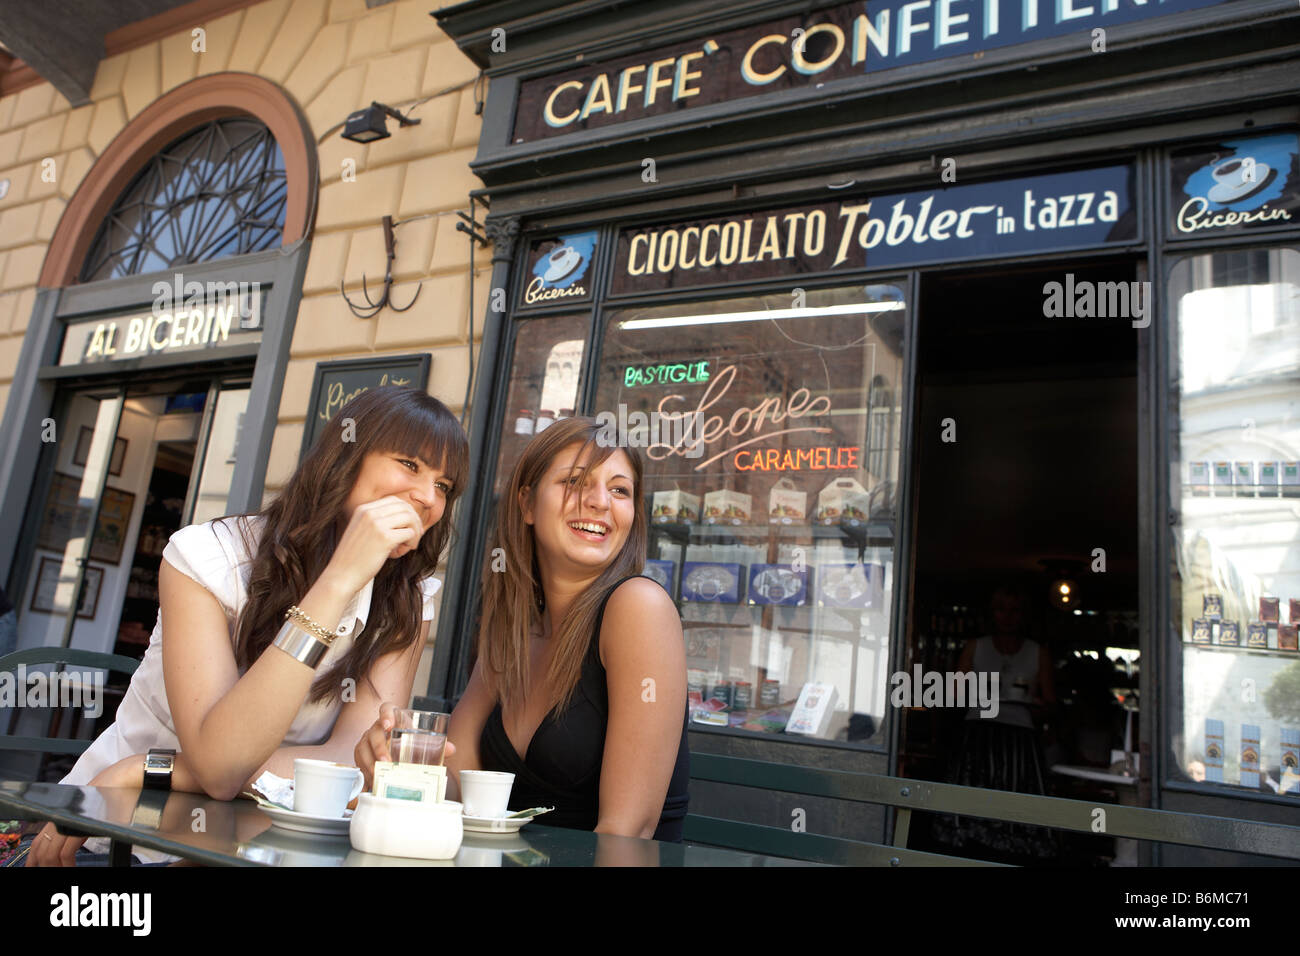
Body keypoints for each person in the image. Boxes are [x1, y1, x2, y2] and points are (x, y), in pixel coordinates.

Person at [21, 387, 467, 866]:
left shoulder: (408, 598)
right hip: (119, 836)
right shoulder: (207, 558)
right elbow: (220, 765)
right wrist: (338, 581)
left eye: (444, 486)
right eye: (409, 464)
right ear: (345, 459)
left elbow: (349, 759)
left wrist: (154, 770)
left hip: (262, 843)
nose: (427, 498)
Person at [356, 416, 691, 841]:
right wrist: (395, 764)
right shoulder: (515, 629)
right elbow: (456, 786)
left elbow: (626, 831)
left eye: (620, 490)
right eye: (575, 481)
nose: (599, 501)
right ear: (527, 503)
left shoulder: (638, 607)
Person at [930, 584, 1060, 864]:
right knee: (969, 818)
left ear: (1024, 615)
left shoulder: (1039, 653)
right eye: (1001, 610)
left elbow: (1050, 707)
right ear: (992, 613)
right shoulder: (975, 647)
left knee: (1019, 818)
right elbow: (953, 695)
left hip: (1020, 741)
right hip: (978, 735)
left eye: (1015, 610)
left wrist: (1037, 705)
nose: (1008, 616)